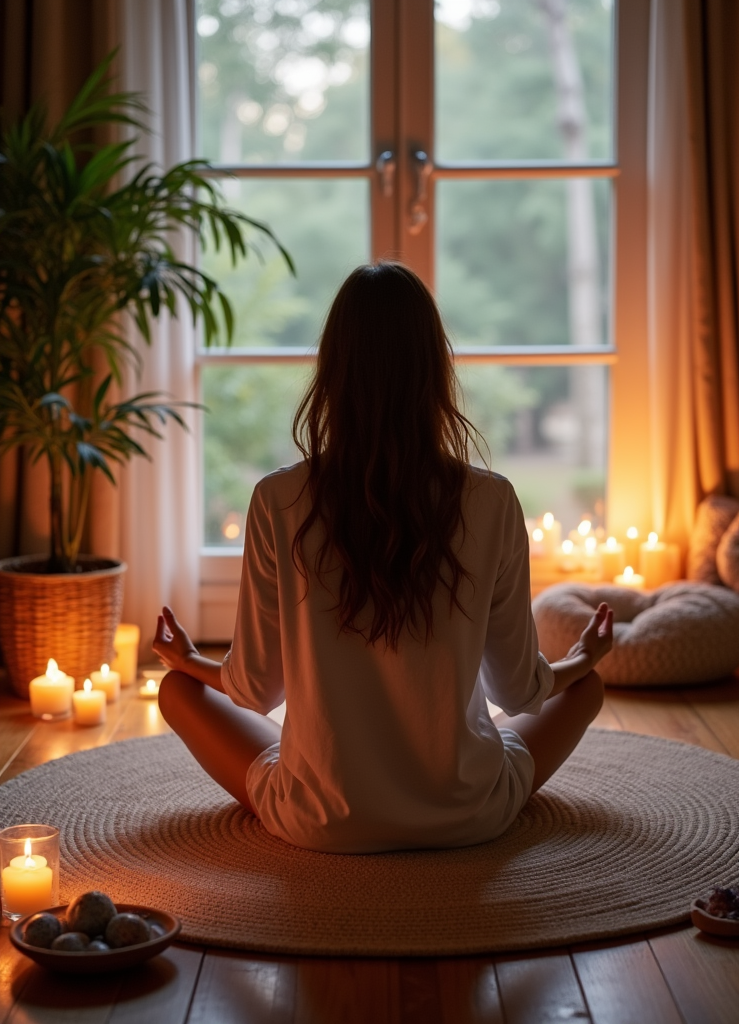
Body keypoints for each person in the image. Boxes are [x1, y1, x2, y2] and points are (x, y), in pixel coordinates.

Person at [154, 261, 613, 854]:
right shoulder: (492, 499)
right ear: (434, 372)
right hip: (468, 811)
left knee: (176, 692)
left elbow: (254, 691)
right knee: (587, 689)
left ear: (331, 373)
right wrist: (582, 659)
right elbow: (520, 692)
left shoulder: (278, 499)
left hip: (321, 821)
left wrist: (189, 661)